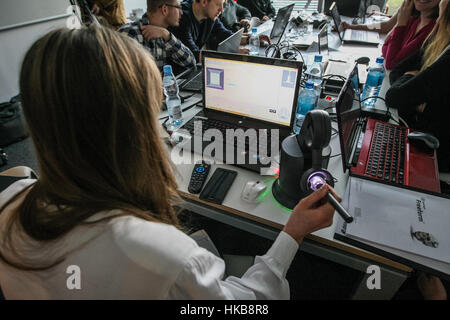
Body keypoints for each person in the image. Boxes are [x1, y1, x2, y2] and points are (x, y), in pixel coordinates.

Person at [0, 25, 339, 299]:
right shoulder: (167, 257)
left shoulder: (9, 201)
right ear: (135, 129)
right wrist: (293, 232)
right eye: (153, 111)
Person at [386, 0, 450, 173]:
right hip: (422, 131)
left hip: (435, 156)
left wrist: (412, 79)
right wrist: (412, 80)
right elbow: (396, 70)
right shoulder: (440, 39)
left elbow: (395, 96)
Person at [340, 0, 440, 70]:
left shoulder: (432, 30)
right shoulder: (414, 18)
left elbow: (391, 63)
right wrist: (352, 27)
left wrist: (401, 23)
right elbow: (386, 46)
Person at [170, 0, 269, 60]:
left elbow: (225, 34)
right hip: (179, 76)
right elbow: (193, 54)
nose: (221, 10)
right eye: (218, 5)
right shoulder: (181, 18)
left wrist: (252, 38)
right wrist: (230, 53)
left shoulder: (209, 15)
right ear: (204, 2)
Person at [118, 0, 196, 74]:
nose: (181, 12)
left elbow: (191, 63)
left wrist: (167, 36)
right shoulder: (128, 34)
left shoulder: (165, 35)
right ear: (164, 9)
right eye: (178, 7)